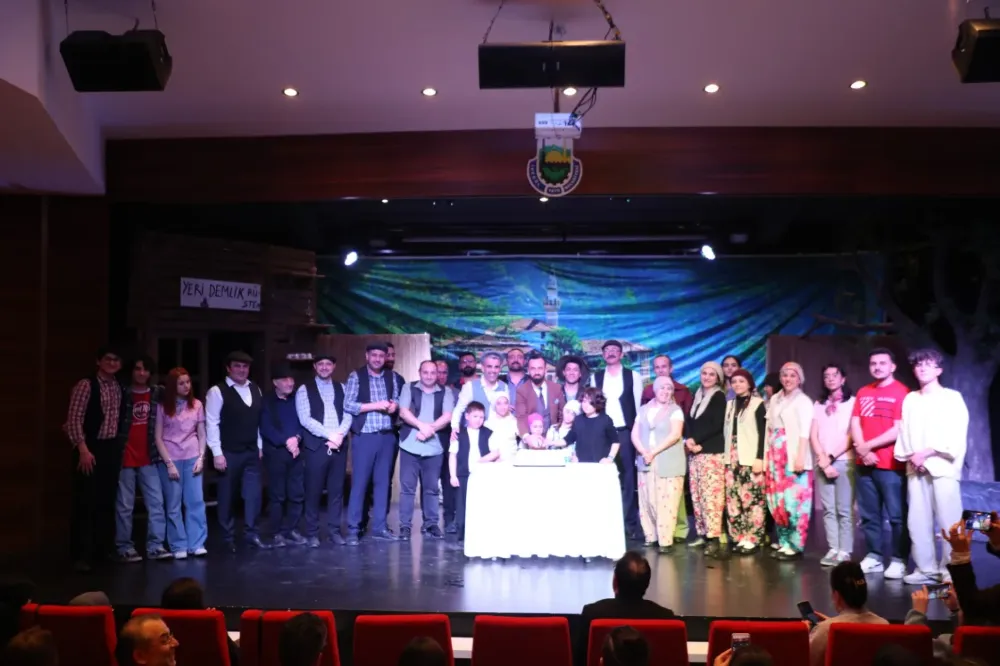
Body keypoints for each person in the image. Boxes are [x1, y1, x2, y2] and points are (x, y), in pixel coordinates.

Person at [896, 348, 968, 585]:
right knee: (918, 520)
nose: (922, 368)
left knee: (949, 520)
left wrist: (927, 453)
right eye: (918, 365)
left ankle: (952, 569)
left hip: (943, 465)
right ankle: (925, 568)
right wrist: (914, 457)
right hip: (916, 466)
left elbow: (956, 433)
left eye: (928, 364)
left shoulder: (952, 397)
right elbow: (904, 431)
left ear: (939, 369)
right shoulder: (911, 399)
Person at [852, 347, 910, 579]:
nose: (877, 367)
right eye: (873, 363)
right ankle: (874, 555)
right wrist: (862, 449)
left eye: (882, 363)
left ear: (893, 366)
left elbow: (898, 429)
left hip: (890, 465)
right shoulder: (863, 391)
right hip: (864, 463)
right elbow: (855, 423)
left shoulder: (902, 392)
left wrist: (867, 446)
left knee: (896, 516)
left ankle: (898, 559)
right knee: (869, 514)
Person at [64, 346, 124, 571]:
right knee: (84, 502)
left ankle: (102, 552)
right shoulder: (86, 385)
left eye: (116, 359)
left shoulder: (118, 386)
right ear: (98, 361)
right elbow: (74, 419)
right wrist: (82, 449)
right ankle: (80, 555)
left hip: (110, 448)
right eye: (108, 359)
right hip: (89, 447)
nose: (112, 363)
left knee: (106, 502)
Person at [206, 350, 267, 551]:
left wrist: (259, 446)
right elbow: (212, 423)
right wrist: (217, 452)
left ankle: (251, 534)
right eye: (237, 366)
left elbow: (258, 421)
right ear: (228, 368)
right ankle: (227, 537)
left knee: (253, 496)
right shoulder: (217, 391)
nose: (241, 370)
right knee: (227, 496)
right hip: (229, 452)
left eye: (245, 366)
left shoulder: (255, 389)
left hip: (251, 451)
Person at [344, 342, 402, 544]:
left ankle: (380, 527)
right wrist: (375, 405)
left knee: (382, 484)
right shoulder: (356, 376)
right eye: (374, 355)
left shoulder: (391, 377)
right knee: (360, 484)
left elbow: (397, 399)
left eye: (381, 355)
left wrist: (394, 406)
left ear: (386, 357)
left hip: (386, 436)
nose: (378, 359)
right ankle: (353, 529)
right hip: (365, 437)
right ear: (367, 356)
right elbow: (348, 404)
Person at [115, 355, 169, 563]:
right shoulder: (122, 393)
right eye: (138, 369)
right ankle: (124, 547)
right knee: (124, 506)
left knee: (156, 503)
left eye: (145, 369)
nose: (141, 373)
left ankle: (155, 546)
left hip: (149, 457)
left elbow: (179, 400)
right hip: (125, 456)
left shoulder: (157, 392)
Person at [575, 552, 674, 666]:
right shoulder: (665, 618)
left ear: (615, 582)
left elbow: (580, 660)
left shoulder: (592, 614)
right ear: (647, 584)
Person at [296, 353, 352, 547]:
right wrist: (330, 436)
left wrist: (339, 436)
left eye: (328, 364)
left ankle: (334, 531)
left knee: (337, 491)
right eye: (320, 364)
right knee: (313, 491)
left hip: (338, 445)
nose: (324, 367)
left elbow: (348, 415)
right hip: (316, 446)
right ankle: (312, 533)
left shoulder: (342, 388)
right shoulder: (304, 389)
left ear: (333, 367)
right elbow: (305, 419)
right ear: (315, 366)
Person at [590, 340, 643, 538]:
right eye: (607, 350)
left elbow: (637, 407)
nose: (611, 353)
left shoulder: (633, 376)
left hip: (625, 432)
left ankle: (629, 525)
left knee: (628, 478)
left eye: (614, 350)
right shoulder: (596, 377)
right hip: (604, 433)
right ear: (602, 355)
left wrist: (635, 432)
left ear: (621, 354)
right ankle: (605, 522)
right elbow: (594, 407)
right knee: (605, 476)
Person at [397, 360, 455, 540]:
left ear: (437, 374)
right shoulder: (408, 387)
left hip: (434, 447)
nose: (429, 376)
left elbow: (447, 416)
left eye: (433, 372)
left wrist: (429, 430)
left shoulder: (446, 391)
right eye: (425, 372)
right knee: (407, 489)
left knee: (431, 489)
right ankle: (405, 526)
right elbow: (403, 412)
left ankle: (431, 524)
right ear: (419, 372)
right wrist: (422, 426)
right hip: (410, 445)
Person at [155, 367, 208, 558]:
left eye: (188, 382)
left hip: (192, 456)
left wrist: (201, 458)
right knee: (173, 504)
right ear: (172, 386)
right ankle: (178, 545)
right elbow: (158, 437)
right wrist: (169, 464)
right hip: (171, 458)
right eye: (181, 383)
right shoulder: (162, 407)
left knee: (195, 501)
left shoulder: (197, 404)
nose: (186, 386)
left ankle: (197, 543)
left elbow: (202, 434)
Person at [764, 362, 814, 561]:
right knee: (778, 501)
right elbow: (769, 427)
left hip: (792, 454)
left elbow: (804, 432)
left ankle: (795, 544)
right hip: (775, 455)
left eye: (793, 375)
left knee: (795, 501)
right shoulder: (775, 398)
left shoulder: (803, 401)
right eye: (785, 375)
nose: (788, 379)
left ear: (800, 379)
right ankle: (784, 541)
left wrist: (800, 456)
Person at [631, 377, 686, 553]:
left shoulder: (675, 410)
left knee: (667, 501)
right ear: (655, 389)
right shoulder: (643, 410)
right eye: (662, 388)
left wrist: (653, 452)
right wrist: (643, 452)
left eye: (669, 389)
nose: (666, 392)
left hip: (667, 460)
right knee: (647, 500)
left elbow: (675, 435)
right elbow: (634, 434)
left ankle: (665, 540)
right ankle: (651, 536)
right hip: (646, 460)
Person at [810, 364, 856, 567]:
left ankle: (845, 550)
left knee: (844, 509)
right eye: (826, 376)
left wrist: (830, 457)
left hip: (844, 460)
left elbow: (851, 436)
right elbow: (813, 435)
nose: (830, 379)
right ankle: (833, 548)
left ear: (843, 379)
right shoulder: (819, 404)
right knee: (828, 509)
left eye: (834, 375)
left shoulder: (853, 403)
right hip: (822, 461)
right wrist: (822, 458)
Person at [260, 363, 306, 548]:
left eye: (291, 379)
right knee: (277, 496)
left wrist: (296, 438)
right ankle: (276, 532)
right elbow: (266, 427)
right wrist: (286, 442)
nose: (290, 383)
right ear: (275, 382)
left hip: (296, 453)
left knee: (296, 494)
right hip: (276, 453)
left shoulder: (297, 399)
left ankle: (291, 529)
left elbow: (303, 422)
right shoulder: (267, 401)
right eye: (285, 380)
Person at [807, 561, 888, 666]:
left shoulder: (825, 631)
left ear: (836, 595)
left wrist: (807, 635)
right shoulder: (884, 626)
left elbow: (807, 662)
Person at [723, 369, 767, 555]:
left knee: (752, 498)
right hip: (731, 457)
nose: (737, 384)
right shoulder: (730, 404)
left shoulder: (758, 404)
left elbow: (763, 433)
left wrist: (759, 458)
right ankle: (739, 536)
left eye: (741, 381)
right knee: (733, 498)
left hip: (749, 456)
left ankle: (753, 537)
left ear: (749, 383)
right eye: (734, 381)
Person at [686, 361, 728, 557]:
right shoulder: (698, 395)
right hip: (696, 452)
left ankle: (714, 538)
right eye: (705, 373)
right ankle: (702, 533)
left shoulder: (718, 396)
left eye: (712, 374)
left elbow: (716, 425)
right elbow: (691, 423)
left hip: (711, 452)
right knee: (697, 495)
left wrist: (696, 440)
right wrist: (689, 440)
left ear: (718, 378)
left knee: (711, 497)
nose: (707, 377)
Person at [161, 577, 239, 666]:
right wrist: (219, 626)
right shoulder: (208, 630)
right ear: (198, 605)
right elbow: (236, 659)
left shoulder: (157, 632)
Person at [449, 401, 498, 542]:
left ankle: (480, 534)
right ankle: (462, 534)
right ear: (467, 416)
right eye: (475, 416)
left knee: (480, 504)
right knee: (462, 505)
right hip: (463, 475)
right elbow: (453, 455)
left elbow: (495, 452)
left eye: (481, 417)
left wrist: (481, 461)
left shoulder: (488, 433)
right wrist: (453, 475)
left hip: (482, 475)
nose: (479, 420)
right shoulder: (459, 434)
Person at [450, 352, 509, 438]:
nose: (493, 370)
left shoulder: (504, 387)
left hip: (497, 436)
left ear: (500, 369)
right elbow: (459, 409)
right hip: (474, 437)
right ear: (483, 368)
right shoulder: (470, 386)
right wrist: (454, 427)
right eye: (489, 366)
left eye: (496, 367)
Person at [516, 351, 566, 448]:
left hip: (553, 441)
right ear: (528, 370)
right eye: (533, 368)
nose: (536, 372)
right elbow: (521, 418)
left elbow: (562, 414)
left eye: (540, 368)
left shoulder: (556, 388)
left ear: (545, 370)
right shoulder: (521, 391)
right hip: (531, 442)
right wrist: (527, 437)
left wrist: (557, 435)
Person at [436, 359, 460, 533]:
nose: (441, 376)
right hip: (429, 438)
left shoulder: (456, 393)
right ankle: (429, 522)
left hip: (450, 439)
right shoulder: (421, 392)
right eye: (438, 371)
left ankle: (450, 519)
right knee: (429, 482)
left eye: (444, 372)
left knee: (449, 480)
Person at [565, 388, 620, 464]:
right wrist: (550, 442)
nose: (586, 405)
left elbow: (615, 442)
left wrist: (610, 458)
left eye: (590, 403)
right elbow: (568, 440)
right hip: (581, 465)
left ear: (597, 403)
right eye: (584, 401)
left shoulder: (605, 420)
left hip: (600, 465)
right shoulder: (578, 420)